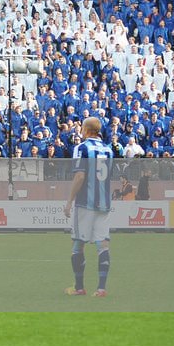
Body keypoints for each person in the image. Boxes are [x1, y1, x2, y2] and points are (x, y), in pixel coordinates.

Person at [67, 118, 114, 298]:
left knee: (78, 245)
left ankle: (79, 288)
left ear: (86, 130)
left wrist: (69, 201)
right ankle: (101, 289)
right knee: (103, 245)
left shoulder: (82, 148)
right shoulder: (108, 150)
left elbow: (80, 176)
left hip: (85, 203)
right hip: (104, 203)